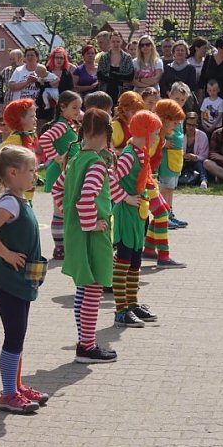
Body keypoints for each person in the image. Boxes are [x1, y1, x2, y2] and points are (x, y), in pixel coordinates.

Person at [0, 145, 49, 413]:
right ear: (12, 173)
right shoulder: (10, 202)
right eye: (30, 170)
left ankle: (16, 386)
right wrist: (7, 254)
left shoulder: (20, 200)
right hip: (8, 280)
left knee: (18, 335)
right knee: (14, 334)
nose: (35, 175)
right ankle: (8, 393)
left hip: (21, 278)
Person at [51, 108, 118, 364]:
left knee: (83, 288)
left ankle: (84, 341)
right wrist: (92, 224)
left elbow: (58, 189)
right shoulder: (97, 164)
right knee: (93, 290)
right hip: (92, 236)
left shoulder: (77, 157)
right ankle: (87, 347)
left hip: (75, 233)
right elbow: (87, 197)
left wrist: (65, 211)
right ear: (106, 132)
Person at [112, 111, 161, 328]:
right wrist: (125, 197)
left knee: (135, 261)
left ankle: (132, 304)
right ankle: (120, 310)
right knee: (123, 261)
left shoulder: (141, 153)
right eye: (156, 133)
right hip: (126, 214)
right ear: (145, 132)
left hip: (138, 214)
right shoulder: (129, 155)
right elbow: (110, 178)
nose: (158, 137)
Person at [142, 100, 187, 267]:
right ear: (165, 119)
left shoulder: (159, 136)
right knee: (162, 214)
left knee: (164, 211)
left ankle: (148, 249)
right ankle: (163, 256)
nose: (175, 127)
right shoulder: (154, 137)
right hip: (144, 181)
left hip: (149, 178)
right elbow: (142, 160)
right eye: (174, 123)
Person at [39, 91, 82, 259]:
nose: (78, 111)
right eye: (74, 107)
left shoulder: (70, 124)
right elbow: (44, 139)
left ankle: (65, 245)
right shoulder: (62, 125)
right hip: (60, 172)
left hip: (69, 171)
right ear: (62, 107)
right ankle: (59, 248)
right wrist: (56, 157)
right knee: (60, 210)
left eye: (79, 107)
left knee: (66, 209)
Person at [160, 86, 191, 227]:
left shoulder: (180, 114)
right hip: (166, 156)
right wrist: (164, 143)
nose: (179, 102)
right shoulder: (165, 113)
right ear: (169, 95)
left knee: (171, 188)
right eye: (177, 98)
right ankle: (163, 216)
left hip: (176, 155)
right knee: (165, 187)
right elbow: (158, 132)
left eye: (183, 100)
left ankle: (170, 213)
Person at [0, 99, 37, 202]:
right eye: (32, 116)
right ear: (20, 119)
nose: (35, 119)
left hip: (24, 191)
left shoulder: (27, 137)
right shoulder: (16, 139)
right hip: (16, 193)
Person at [96, 31, 135, 104]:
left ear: (121, 42)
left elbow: (129, 76)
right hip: (106, 91)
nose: (115, 44)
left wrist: (112, 74)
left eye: (118, 41)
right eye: (113, 41)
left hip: (123, 92)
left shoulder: (127, 57)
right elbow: (100, 76)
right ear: (110, 42)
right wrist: (119, 80)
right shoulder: (104, 57)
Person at [181, 112, 209, 189]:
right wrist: (183, 156)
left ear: (197, 125)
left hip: (196, 162)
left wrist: (195, 157)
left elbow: (205, 156)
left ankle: (204, 181)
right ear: (185, 124)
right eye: (188, 125)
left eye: (193, 125)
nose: (190, 127)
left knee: (199, 163)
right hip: (181, 161)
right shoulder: (180, 135)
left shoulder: (202, 136)